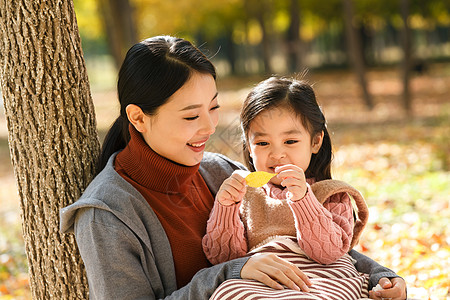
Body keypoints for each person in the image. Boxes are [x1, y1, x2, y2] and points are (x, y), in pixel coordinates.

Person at [59, 35, 407, 300]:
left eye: (213, 108)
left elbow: (290, 241)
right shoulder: (107, 214)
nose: (210, 127)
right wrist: (232, 272)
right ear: (138, 118)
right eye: (192, 115)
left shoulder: (219, 172)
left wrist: (379, 276)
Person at [202, 76, 374, 299]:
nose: (277, 154)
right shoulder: (246, 194)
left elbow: (328, 253)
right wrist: (225, 208)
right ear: (249, 146)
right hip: (263, 284)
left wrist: (303, 199)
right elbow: (223, 259)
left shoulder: (332, 194)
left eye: (290, 142)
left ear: (315, 142)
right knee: (227, 291)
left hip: (322, 280)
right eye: (262, 143)